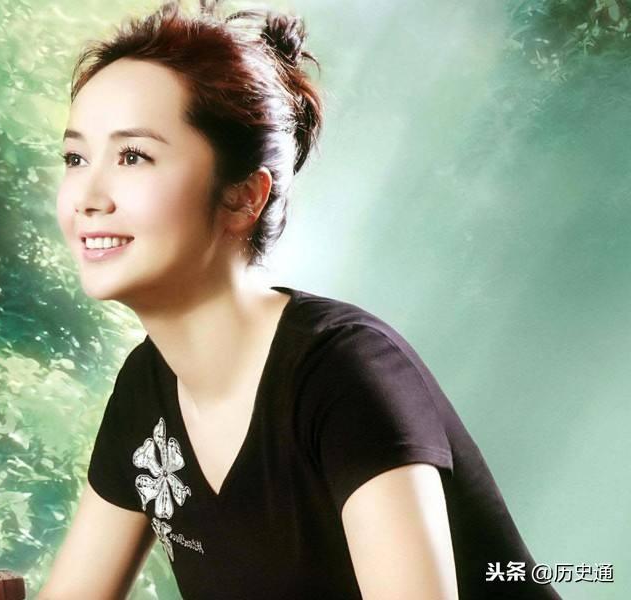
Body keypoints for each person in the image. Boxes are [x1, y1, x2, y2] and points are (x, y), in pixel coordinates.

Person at [39, 1, 563, 598]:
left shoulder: (345, 373)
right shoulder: (145, 391)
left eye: (133, 156)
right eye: (75, 158)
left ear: (243, 198)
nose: (87, 196)